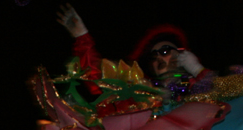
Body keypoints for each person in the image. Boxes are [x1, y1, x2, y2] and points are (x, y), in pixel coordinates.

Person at [56, 4, 209, 96]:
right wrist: (81, 36)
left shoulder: (196, 83)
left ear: (183, 54)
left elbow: (221, 95)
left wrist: (198, 70)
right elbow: (98, 81)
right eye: (152, 56)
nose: (158, 58)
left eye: (165, 51)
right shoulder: (141, 88)